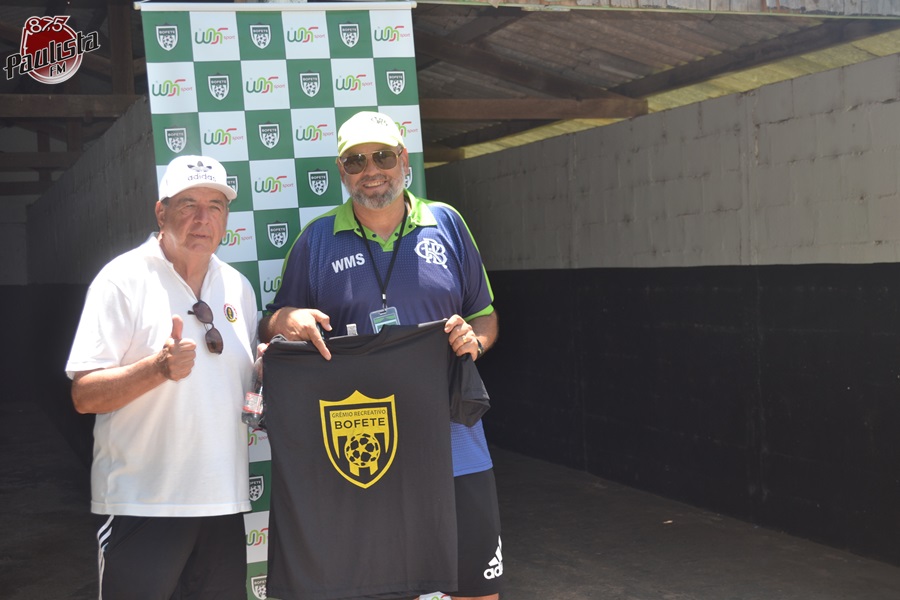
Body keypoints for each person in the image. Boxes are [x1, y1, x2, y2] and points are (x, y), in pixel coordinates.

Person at [259, 110, 503, 600]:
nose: (371, 170)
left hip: (455, 444)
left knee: (477, 590)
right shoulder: (317, 240)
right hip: (370, 452)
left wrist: (474, 341)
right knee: (386, 588)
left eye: (383, 156)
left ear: (404, 160)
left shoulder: (447, 224)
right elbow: (272, 322)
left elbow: (485, 316)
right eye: (355, 160)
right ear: (341, 170)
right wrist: (287, 320)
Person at [65, 155, 258, 599]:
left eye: (215, 205)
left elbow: (237, 391)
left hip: (223, 505)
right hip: (143, 505)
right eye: (188, 204)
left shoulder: (238, 287)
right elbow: (83, 395)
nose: (202, 218)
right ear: (161, 212)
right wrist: (156, 369)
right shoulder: (121, 280)